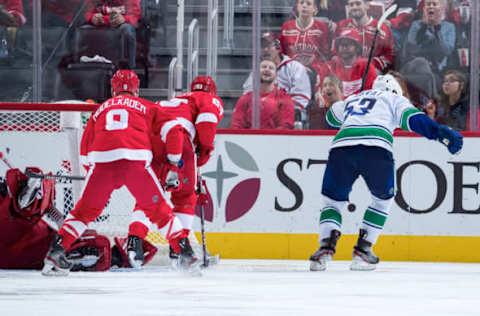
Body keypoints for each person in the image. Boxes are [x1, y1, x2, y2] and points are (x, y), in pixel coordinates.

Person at [41, 70, 200, 276]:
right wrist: (172, 163)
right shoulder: (147, 106)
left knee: (83, 213)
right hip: (135, 163)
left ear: (112, 89)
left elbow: (84, 149)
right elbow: (174, 132)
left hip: (102, 165)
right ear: (137, 88)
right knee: (160, 212)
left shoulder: (99, 111)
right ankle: (186, 253)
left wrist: (93, 175)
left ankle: (56, 252)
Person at [309, 74, 463, 271]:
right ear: (394, 91)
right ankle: (363, 251)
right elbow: (413, 119)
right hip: (376, 147)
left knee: (332, 201)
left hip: (342, 147)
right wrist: (439, 133)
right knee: (382, 200)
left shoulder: (354, 98)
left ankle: (326, 247)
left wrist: (350, 101)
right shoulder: (394, 99)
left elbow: (331, 118)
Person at [125, 75, 224, 266]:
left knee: (149, 196)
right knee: (185, 198)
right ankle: (179, 251)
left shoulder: (173, 100)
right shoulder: (209, 99)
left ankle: (134, 244)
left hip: (152, 140)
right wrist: (203, 153)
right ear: (212, 91)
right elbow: (207, 121)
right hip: (179, 138)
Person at [242, 32, 312, 124]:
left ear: (278, 48)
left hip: (290, 116)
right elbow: (247, 94)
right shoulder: (257, 70)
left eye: (268, 46)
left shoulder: (295, 67)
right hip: (263, 115)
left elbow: (301, 99)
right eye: (262, 47)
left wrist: (276, 109)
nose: (265, 50)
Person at [400, 0, 456, 98]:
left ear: (442, 9)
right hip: (414, 66)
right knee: (422, 62)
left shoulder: (449, 27)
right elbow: (411, 49)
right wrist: (423, 27)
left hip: (437, 70)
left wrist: (437, 30)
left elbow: (447, 50)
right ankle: (434, 100)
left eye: (434, 4)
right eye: (428, 4)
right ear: (424, 9)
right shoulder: (416, 25)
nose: (431, 7)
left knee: (429, 77)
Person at [231, 56, 295, 129]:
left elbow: (286, 125)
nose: (267, 69)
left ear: (276, 76)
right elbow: (236, 125)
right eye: (264, 67)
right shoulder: (245, 99)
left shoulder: (284, 98)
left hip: (274, 139)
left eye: (271, 68)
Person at [334, 0, 395, 74]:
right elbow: (334, 53)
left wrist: (367, 63)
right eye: (351, 4)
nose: (354, 7)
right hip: (346, 71)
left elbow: (389, 56)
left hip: (372, 71)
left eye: (358, 3)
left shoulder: (382, 28)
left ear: (367, 5)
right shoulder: (341, 26)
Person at [316, 28, 377, 98]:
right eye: (341, 45)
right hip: (333, 106)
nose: (344, 48)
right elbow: (320, 91)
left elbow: (370, 91)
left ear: (357, 48)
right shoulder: (328, 66)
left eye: (348, 45)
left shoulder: (366, 66)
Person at [84, 0, 141, 69]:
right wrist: (92, 18)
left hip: (121, 25)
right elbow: (87, 12)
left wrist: (125, 19)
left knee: (127, 30)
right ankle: (86, 67)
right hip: (100, 25)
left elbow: (135, 16)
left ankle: (129, 70)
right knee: (84, 30)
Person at [279, 0, 331, 76]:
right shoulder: (286, 26)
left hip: (313, 74)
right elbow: (282, 54)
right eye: (301, 2)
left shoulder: (322, 28)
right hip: (290, 73)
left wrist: (314, 71)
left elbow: (325, 57)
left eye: (308, 3)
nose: (304, 5)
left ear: (315, 8)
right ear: (297, 6)